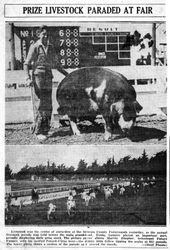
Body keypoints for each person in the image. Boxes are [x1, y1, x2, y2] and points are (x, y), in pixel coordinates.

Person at [24, 25, 68, 140]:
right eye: (43, 34)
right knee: (39, 103)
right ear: (39, 35)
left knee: (48, 104)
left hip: (48, 77)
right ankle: (38, 132)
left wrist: (67, 75)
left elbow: (57, 64)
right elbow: (26, 64)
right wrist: (27, 78)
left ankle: (45, 129)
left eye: (47, 34)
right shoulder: (35, 47)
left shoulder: (51, 47)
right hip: (38, 77)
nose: (46, 36)